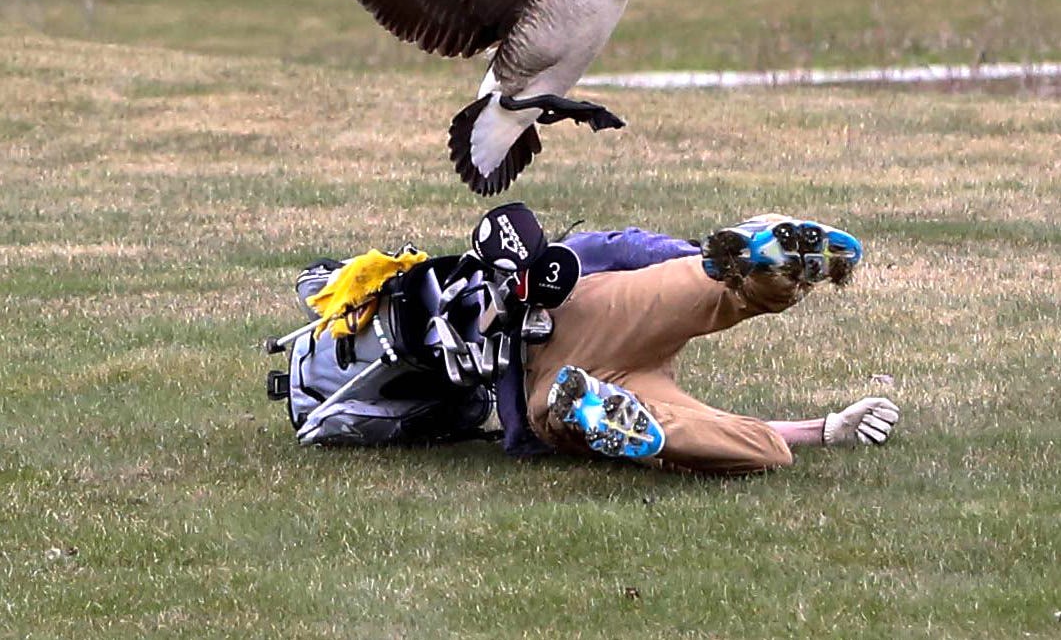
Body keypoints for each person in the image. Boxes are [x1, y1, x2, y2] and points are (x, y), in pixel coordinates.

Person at [269, 207, 899, 476]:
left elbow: (613, 250)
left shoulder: (509, 276)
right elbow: (618, 248)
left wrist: (831, 426)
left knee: (683, 323)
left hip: (568, 360)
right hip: (576, 353)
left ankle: (756, 266)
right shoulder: (496, 289)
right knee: (759, 446)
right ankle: (751, 267)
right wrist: (822, 428)